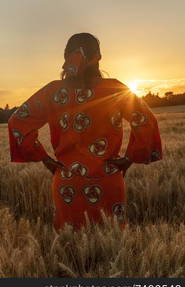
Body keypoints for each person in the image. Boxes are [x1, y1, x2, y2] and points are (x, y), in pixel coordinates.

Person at [8, 33, 162, 230]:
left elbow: (17, 122)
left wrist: (45, 160)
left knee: (70, 248)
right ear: (97, 57)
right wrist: (129, 159)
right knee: (112, 246)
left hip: (67, 182)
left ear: (66, 57)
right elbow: (146, 120)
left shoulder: (53, 91)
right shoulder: (115, 88)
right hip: (108, 180)